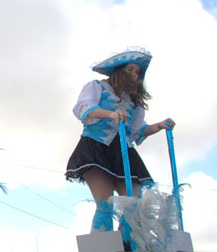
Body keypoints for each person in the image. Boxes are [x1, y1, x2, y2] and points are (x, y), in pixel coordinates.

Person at [65, 48, 175, 234]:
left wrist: (158, 126)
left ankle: (129, 243)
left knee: (136, 202)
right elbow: (84, 109)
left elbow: (137, 131)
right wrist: (110, 114)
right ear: (119, 71)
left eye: (137, 72)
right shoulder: (96, 87)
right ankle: (103, 247)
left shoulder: (134, 103)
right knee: (104, 203)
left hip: (124, 151)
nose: (134, 74)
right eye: (130, 69)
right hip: (96, 147)